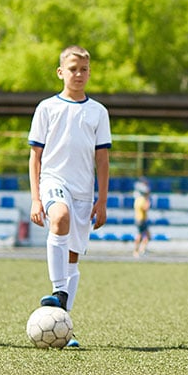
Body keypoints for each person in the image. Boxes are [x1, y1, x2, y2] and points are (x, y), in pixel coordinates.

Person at [29, 45, 112, 349]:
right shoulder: (47, 108)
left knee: (73, 258)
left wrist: (102, 200)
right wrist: (36, 199)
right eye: (73, 68)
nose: (79, 74)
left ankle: (62, 321)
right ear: (60, 72)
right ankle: (58, 292)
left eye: (84, 69)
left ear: (89, 72)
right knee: (59, 218)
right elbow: (35, 157)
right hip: (54, 181)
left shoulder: (98, 112)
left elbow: (102, 160)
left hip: (83, 191)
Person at [132, 179, 151, 257]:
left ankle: (141, 250)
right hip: (141, 220)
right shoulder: (142, 200)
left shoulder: (137, 199)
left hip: (139, 219)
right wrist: (148, 201)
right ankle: (138, 250)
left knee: (145, 235)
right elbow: (145, 208)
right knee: (142, 236)